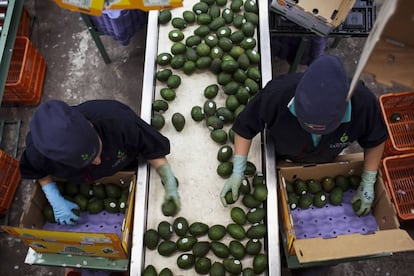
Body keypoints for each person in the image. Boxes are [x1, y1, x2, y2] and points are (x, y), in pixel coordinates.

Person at [220, 54, 388, 216]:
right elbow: (244, 127)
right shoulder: (276, 94)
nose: (313, 131)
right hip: (283, 155)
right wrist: (238, 169)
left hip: (327, 157)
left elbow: (375, 139)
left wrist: (368, 181)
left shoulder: (364, 103)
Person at [20, 99, 180, 225]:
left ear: (90, 126)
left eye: (97, 150)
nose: (98, 161)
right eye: (87, 162)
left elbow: (151, 147)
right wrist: (54, 197)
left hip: (125, 165)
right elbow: (36, 170)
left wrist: (168, 178)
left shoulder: (119, 120)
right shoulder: (38, 151)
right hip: (83, 181)